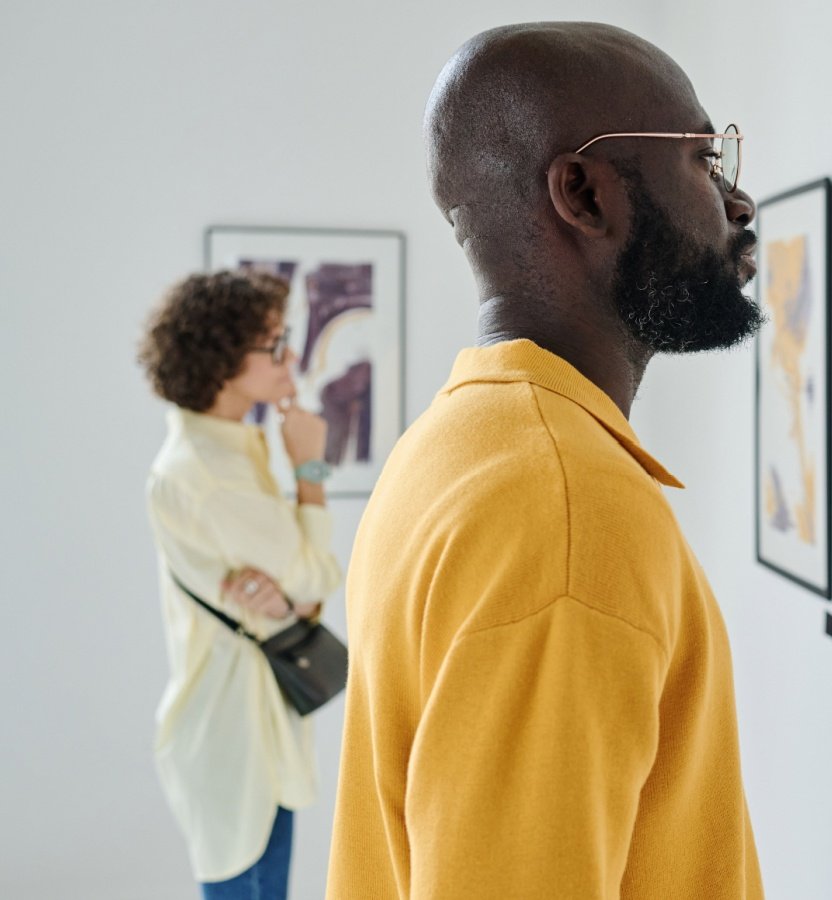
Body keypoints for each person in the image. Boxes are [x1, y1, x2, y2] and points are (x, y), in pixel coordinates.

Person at [327, 22, 764, 899]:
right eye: (704, 161)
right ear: (585, 194)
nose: (737, 203)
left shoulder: (457, 443)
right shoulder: (565, 510)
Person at [139, 270, 344, 899]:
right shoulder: (212, 471)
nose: (290, 359)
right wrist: (309, 466)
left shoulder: (226, 451)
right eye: (274, 344)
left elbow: (302, 593)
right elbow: (317, 576)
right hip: (234, 735)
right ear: (223, 359)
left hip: (251, 727)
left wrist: (295, 596)